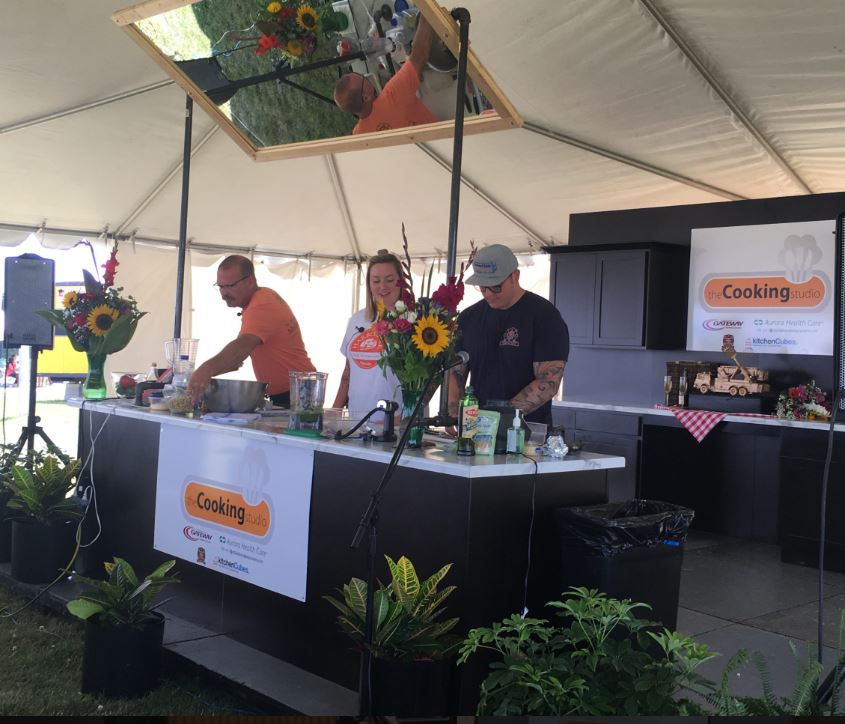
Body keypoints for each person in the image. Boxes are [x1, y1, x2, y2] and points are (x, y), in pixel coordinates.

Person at [448, 244, 569, 427]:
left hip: (526, 431)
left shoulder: (544, 316)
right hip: (476, 426)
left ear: (515, 276)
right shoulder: (468, 317)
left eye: (496, 287)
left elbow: (549, 380)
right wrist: (453, 411)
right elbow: (455, 371)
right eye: (483, 287)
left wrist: (500, 417)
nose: (488, 294)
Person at [187, 255, 315, 406]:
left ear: (250, 282)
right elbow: (236, 359)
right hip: (294, 389)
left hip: (297, 391)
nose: (224, 293)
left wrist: (206, 369)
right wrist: (205, 375)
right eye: (221, 286)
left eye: (230, 286)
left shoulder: (262, 305)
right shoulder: (259, 300)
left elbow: (242, 347)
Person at [333, 14, 437, 135]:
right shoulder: (392, 97)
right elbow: (420, 55)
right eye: (362, 79)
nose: (365, 78)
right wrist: (427, 12)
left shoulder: (360, 134)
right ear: (365, 97)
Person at [333, 250, 402, 413]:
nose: (382, 287)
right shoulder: (357, 319)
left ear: (401, 282)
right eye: (376, 281)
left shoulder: (412, 322)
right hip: (357, 420)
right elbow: (347, 375)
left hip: (395, 420)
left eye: (389, 280)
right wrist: (333, 413)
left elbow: (428, 379)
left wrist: (405, 418)